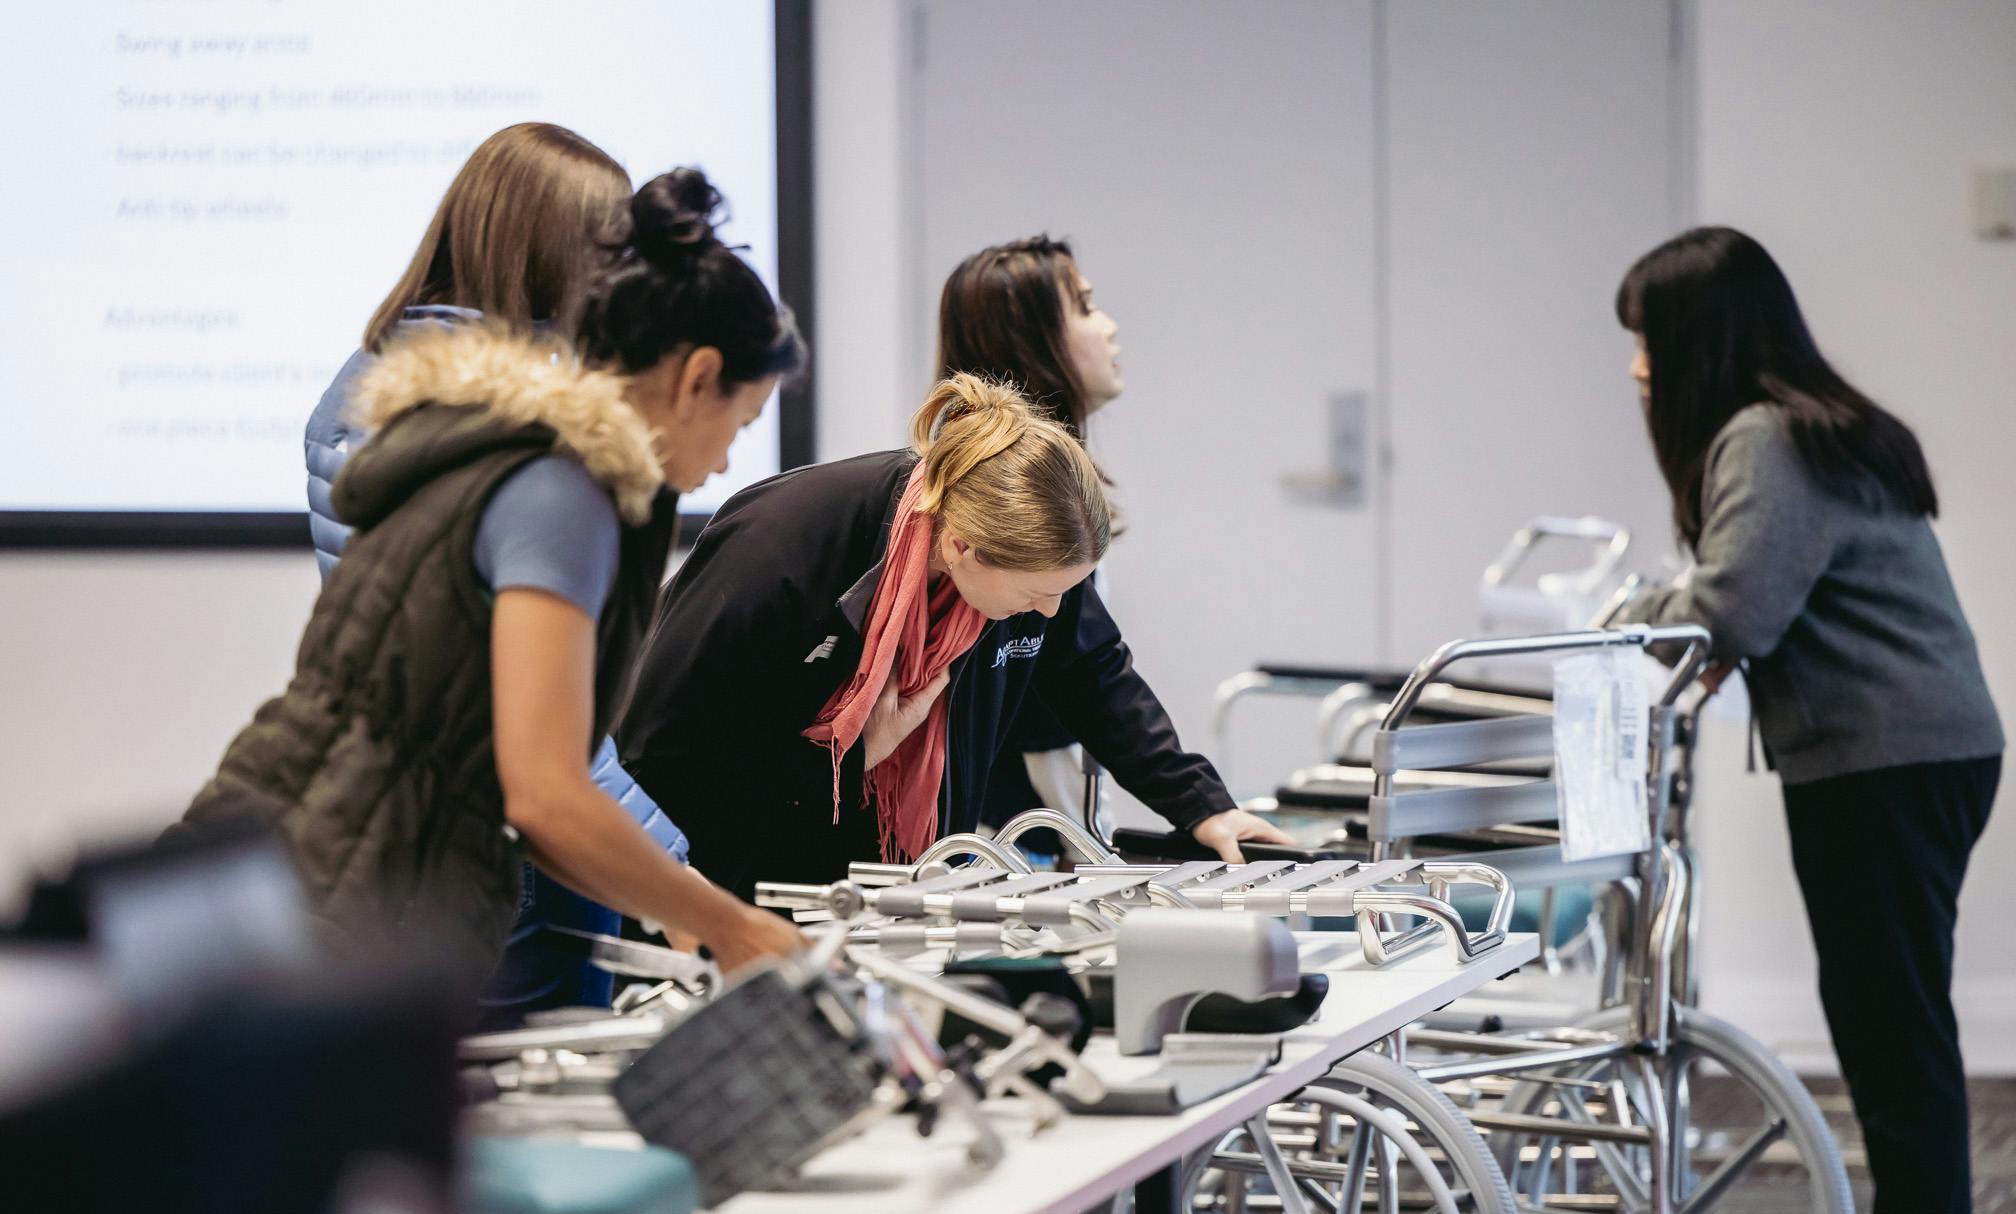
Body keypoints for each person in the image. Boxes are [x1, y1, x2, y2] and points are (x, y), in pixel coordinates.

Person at [178, 167, 808, 983]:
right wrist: (731, 924)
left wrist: (677, 909)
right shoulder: (561, 486)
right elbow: (546, 794)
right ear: (695, 378)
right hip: (339, 899)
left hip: (289, 870)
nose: (726, 460)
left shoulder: (502, 447)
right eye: (741, 421)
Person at [1617, 226, 2002, 1214]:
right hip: (1912, 751)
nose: (1636, 367)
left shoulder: (1763, 438)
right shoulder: (1811, 427)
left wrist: (1627, 605)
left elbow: (1729, 609)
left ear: (1697, 337)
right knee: (1899, 1029)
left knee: (1892, 1039)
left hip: (1882, 759)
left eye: (1644, 339)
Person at [612, 371, 1286, 903]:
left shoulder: (1033, 555)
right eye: (1036, 595)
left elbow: (1096, 676)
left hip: (910, 881)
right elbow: (664, 757)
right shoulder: (781, 551)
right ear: (961, 546)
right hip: (734, 886)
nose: (1050, 614)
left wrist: (1203, 808)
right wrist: (854, 756)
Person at [299, 122, 696, 1022]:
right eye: (612, 250)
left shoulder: (381, 382)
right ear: (548, 250)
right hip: (501, 845)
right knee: (535, 1117)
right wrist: (666, 866)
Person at [936, 235, 1126, 853]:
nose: (1110, 327)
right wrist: (1090, 852)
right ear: (1033, 339)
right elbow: (1048, 714)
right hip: (993, 842)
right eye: (1087, 307)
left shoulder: (1059, 489)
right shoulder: (997, 510)